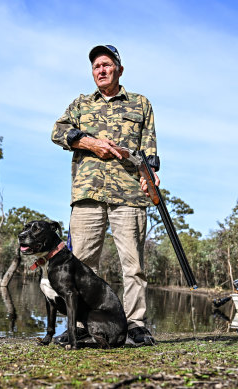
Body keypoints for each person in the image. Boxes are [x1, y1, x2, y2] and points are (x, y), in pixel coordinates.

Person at [51, 44, 160, 345]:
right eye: (96, 66)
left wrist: (150, 174)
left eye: (107, 65)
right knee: (83, 266)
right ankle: (83, 326)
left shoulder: (141, 104)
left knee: (134, 265)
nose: (101, 70)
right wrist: (88, 142)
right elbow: (58, 131)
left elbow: (150, 150)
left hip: (129, 195)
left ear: (119, 70)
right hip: (87, 193)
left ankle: (136, 324)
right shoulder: (80, 104)